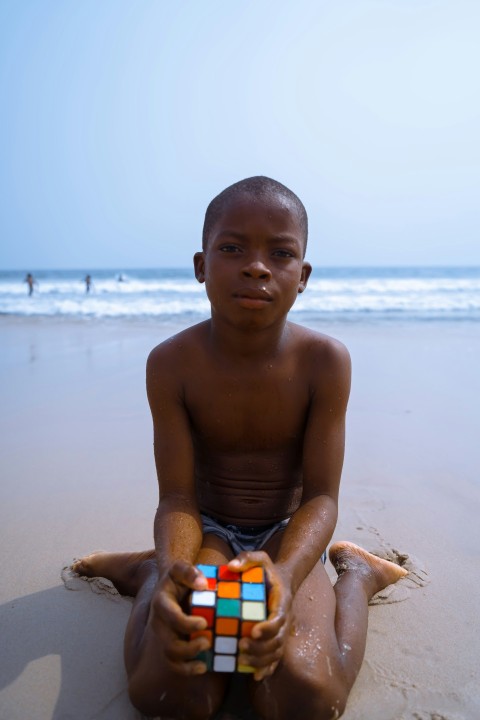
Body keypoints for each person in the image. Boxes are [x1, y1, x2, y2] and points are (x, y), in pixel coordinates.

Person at [73, 176, 407, 720]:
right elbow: (178, 496)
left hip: (286, 534)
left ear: (302, 276)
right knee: (171, 691)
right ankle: (151, 573)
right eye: (233, 249)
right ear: (202, 265)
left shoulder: (325, 362)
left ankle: (360, 576)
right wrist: (177, 573)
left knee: (302, 695)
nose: (256, 266)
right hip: (207, 532)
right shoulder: (172, 363)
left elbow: (321, 497)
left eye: (280, 253)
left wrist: (285, 573)